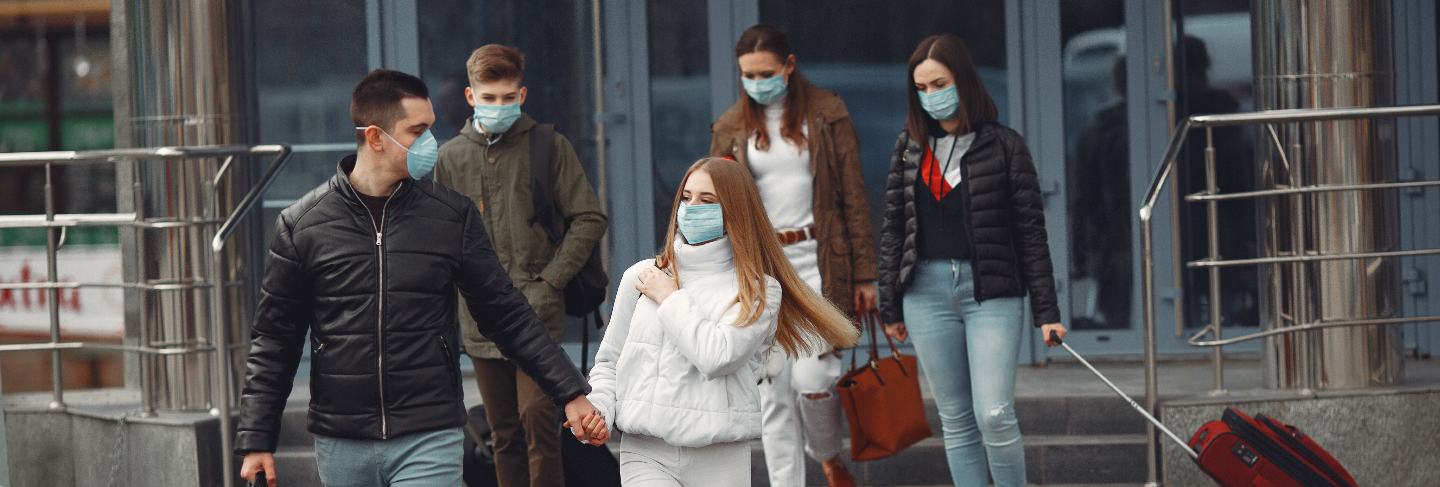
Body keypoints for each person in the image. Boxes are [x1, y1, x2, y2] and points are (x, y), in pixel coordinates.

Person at [234, 69, 600, 487]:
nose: (431, 143)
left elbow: (506, 313)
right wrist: (256, 438)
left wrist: (570, 392)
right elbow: (274, 339)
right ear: (375, 137)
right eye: (418, 130)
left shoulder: (451, 216)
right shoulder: (302, 224)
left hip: (428, 430)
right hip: (341, 438)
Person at [579, 157, 860, 487]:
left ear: (735, 210)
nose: (692, 207)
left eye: (707, 200)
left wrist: (670, 297)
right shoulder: (640, 277)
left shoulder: (759, 290)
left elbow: (716, 357)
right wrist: (599, 410)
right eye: (686, 198)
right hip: (645, 451)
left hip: (719, 455)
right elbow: (610, 362)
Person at [876, 35, 1067, 487]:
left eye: (938, 83)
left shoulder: (1005, 146)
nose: (930, 96)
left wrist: (1048, 313)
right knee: (956, 419)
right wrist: (890, 305)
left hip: (992, 294)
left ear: (962, 80)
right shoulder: (909, 146)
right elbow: (893, 228)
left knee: (995, 414)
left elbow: (1031, 234)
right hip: (925, 294)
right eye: (921, 88)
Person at [707, 24, 875, 487]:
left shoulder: (826, 114)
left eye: (765, 72)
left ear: (789, 66)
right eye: (747, 75)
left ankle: (826, 453)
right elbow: (716, 204)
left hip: (821, 263)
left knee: (812, 381)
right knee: (772, 396)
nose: (757, 82)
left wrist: (866, 275)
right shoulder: (731, 128)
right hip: (764, 273)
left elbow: (854, 197)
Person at [434, 44, 608, 487]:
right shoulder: (450, 158)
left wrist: (550, 281)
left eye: (507, 97)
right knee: (503, 432)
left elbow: (589, 217)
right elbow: (440, 237)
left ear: (523, 94)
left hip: (536, 312)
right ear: (471, 97)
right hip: (478, 320)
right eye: (489, 98)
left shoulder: (549, 146)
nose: (499, 106)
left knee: (539, 420)